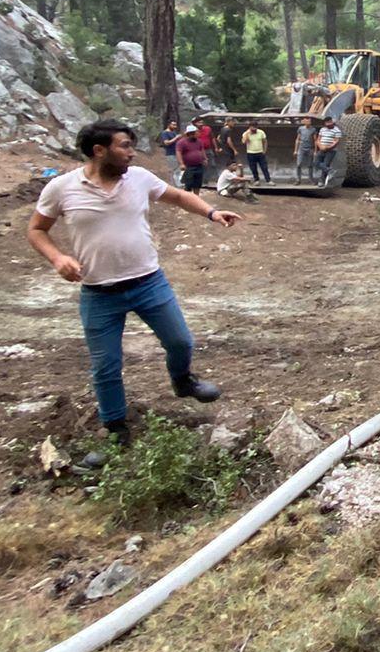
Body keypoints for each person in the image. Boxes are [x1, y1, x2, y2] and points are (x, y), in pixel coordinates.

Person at [27, 120, 238, 445]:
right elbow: (36, 229)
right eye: (125, 146)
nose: (131, 153)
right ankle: (115, 431)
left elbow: (180, 197)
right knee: (106, 367)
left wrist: (211, 213)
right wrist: (58, 258)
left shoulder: (139, 179)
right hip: (99, 293)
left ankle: (183, 381)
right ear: (100, 150)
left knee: (180, 342)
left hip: (148, 283)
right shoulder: (61, 188)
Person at [175, 123, 208, 193]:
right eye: (197, 132)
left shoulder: (199, 141)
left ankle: (196, 198)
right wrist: (181, 164)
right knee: (188, 185)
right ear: (191, 134)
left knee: (197, 184)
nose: (198, 134)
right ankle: (187, 199)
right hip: (189, 167)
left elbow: (202, 150)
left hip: (199, 166)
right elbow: (178, 153)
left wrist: (204, 159)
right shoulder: (181, 142)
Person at [314, 115, 345, 186]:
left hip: (331, 151)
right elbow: (318, 139)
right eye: (326, 124)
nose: (328, 125)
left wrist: (328, 147)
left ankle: (321, 181)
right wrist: (321, 146)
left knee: (325, 164)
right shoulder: (322, 129)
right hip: (322, 149)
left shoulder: (337, 131)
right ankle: (330, 170)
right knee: (316, 162)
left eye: (329, 123)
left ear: (331, 122)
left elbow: (336, 142)